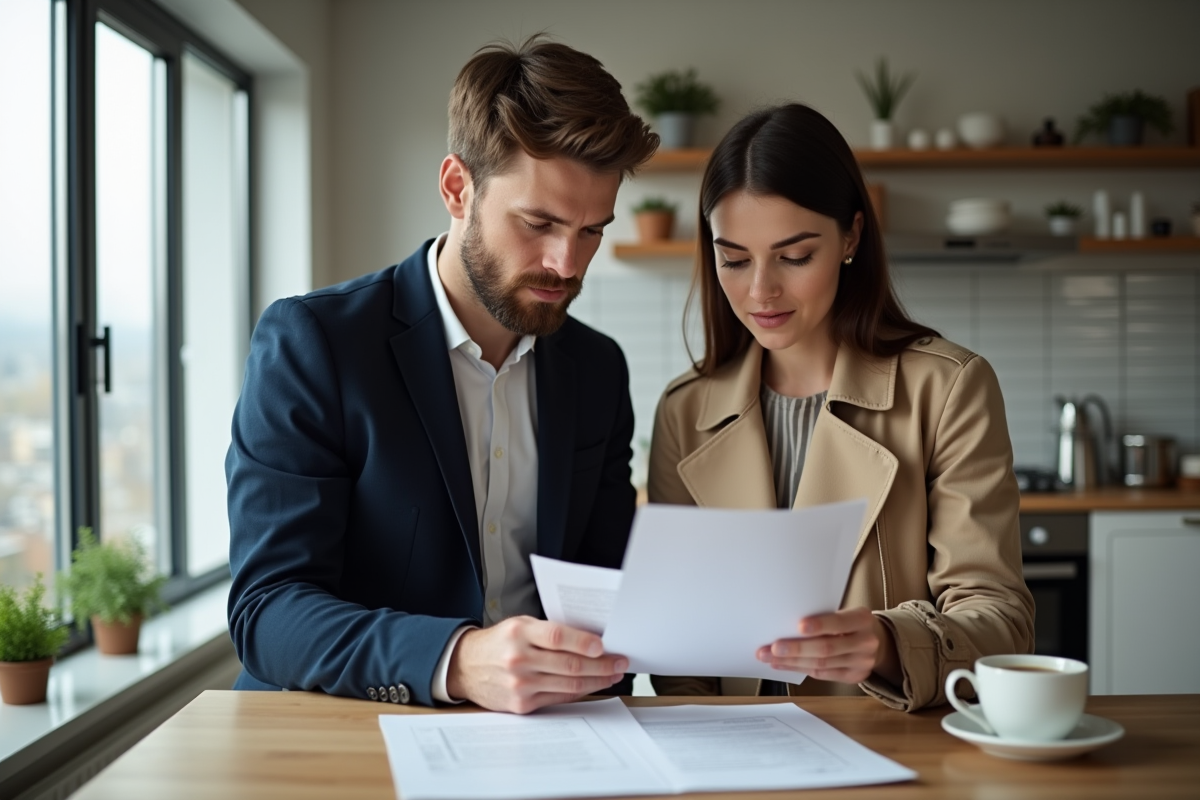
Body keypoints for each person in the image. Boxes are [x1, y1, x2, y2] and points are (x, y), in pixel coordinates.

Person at [226, 36, 659, 714]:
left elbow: (603, 588)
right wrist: (456, 661)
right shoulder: (315, 345)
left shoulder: (597, 367)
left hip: (554, 740)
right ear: (459, 188)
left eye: (591, 231)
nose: (567, 263)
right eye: (539, 222)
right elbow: (268, 611)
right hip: (347, 734)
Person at [648, 103, 1034, 711]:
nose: (760, 291)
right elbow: (684, 657)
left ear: (852, 235)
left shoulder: (951, 388)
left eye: (795, 256)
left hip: (892, 750)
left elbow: (1001, 621)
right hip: (732, 760)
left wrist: (887, 642)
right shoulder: (684, 410)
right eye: (734, 259)